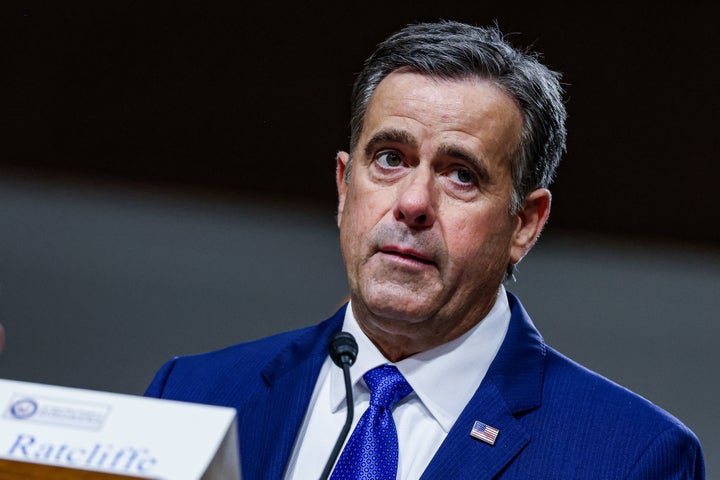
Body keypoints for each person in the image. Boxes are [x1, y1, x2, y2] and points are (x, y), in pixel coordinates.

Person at [146, 20, 705, 479]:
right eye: (390, 158)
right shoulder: (193, 396)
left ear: (525, 226)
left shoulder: (632, 457)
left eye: (461, 174)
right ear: (345, 187)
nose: (413, 203)